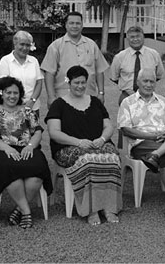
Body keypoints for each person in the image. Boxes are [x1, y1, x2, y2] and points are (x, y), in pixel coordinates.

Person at [45, 65, 121, 225]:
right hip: (67, 147)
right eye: (76, 82)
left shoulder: (95, 102)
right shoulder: (58, 104)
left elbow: (108, 126)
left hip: (96, 143)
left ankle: (108, 206)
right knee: (88, 161)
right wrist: (78, 142)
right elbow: (54, 133)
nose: (80, 86)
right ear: (69, 82)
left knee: (112, 157)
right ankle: (91, 209)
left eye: (83, 82)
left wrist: (102, 138)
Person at [0, 77, 53, 228]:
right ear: (1, 93)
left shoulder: (28, 111)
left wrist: (31, 146)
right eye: (8, 93)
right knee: (9, 168)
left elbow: (38, 132)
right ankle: (26, 211)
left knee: (37, 168)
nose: (12, 96)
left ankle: (18, 210)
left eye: (15, 93)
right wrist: (6, 148)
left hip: (27, 148)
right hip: (0, 150)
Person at [117, 68, 165, 223]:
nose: (149, 85)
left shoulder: (162, 101)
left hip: (163, 140)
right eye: (145, 81)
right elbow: (126, 129)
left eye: (152, 81)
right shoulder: (128, 102)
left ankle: (155, 155)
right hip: (140, 143)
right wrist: (151, 136)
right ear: (138, 82)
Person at [41, 12, 108, 108]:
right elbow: (49, 73)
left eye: (78, 23)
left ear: (82, 26)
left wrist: (101, 92)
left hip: (89, 96)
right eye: (71, 23)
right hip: (63, 97)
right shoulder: (56, 46)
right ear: (66, 25)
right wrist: (51, 97)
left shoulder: (91, 45)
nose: (75, 26)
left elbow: (99, 71)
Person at [110, 26, 165, 105]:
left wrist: (145, 87)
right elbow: (114, 78)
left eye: (138, 36)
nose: (135, 39)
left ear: (143, 37)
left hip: (148, 96)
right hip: (127, 96)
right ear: (128, 39)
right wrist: (128, 88)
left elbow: (158, 76)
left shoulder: (154, 55)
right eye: (132, 37)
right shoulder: (119, 57)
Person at [0, 30, 43, 116]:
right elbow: (3, 85)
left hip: (32, 107)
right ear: (15, 44)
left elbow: (39, 83)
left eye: (28, 45)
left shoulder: (34, 61)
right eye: (22, 44)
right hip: (12, 107)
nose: (25, 48)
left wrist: (32, 101)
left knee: (34, 129)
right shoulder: (5, 61)